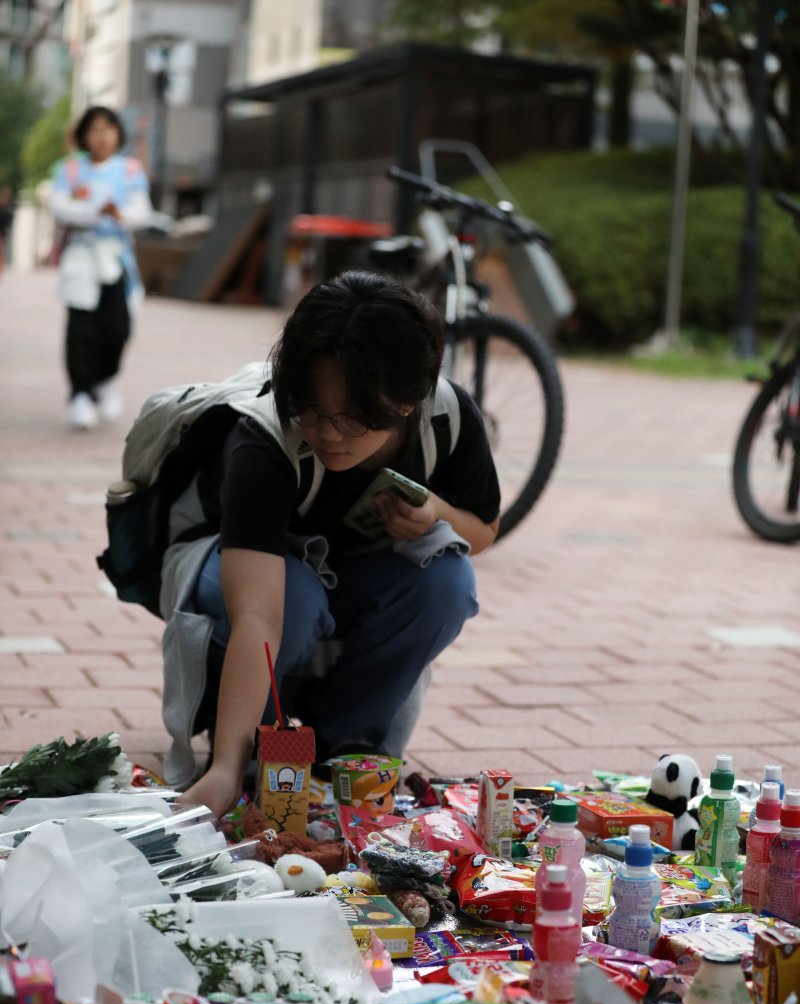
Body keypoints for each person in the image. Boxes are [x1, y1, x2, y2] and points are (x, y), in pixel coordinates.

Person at [170, 270, 501, 820]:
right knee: (294, 602)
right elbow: (257, 615)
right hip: (231, 571)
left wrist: (436, 514)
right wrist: (225, 769)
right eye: (315, 411)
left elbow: (484, 529)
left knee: (447, 581)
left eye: (353, 418)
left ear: (405, 402)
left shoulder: (446, 417)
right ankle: (252, 743)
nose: (329, 434)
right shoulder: (266, 438)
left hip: (353, 576)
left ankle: (346, 749)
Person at [50, 106, 152, 431]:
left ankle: (106, 379)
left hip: (116, 258)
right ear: (83, 135)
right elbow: (60, 207)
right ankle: (79, 394)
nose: (101, 136)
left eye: (108, 129)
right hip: (81, 258)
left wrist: (118, 214)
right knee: (80, 329)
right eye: (94, 129)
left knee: (118, 326)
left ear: (118, 133)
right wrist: (95, 210)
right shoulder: (69, 170)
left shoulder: (130, 170)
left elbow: (142, 211)